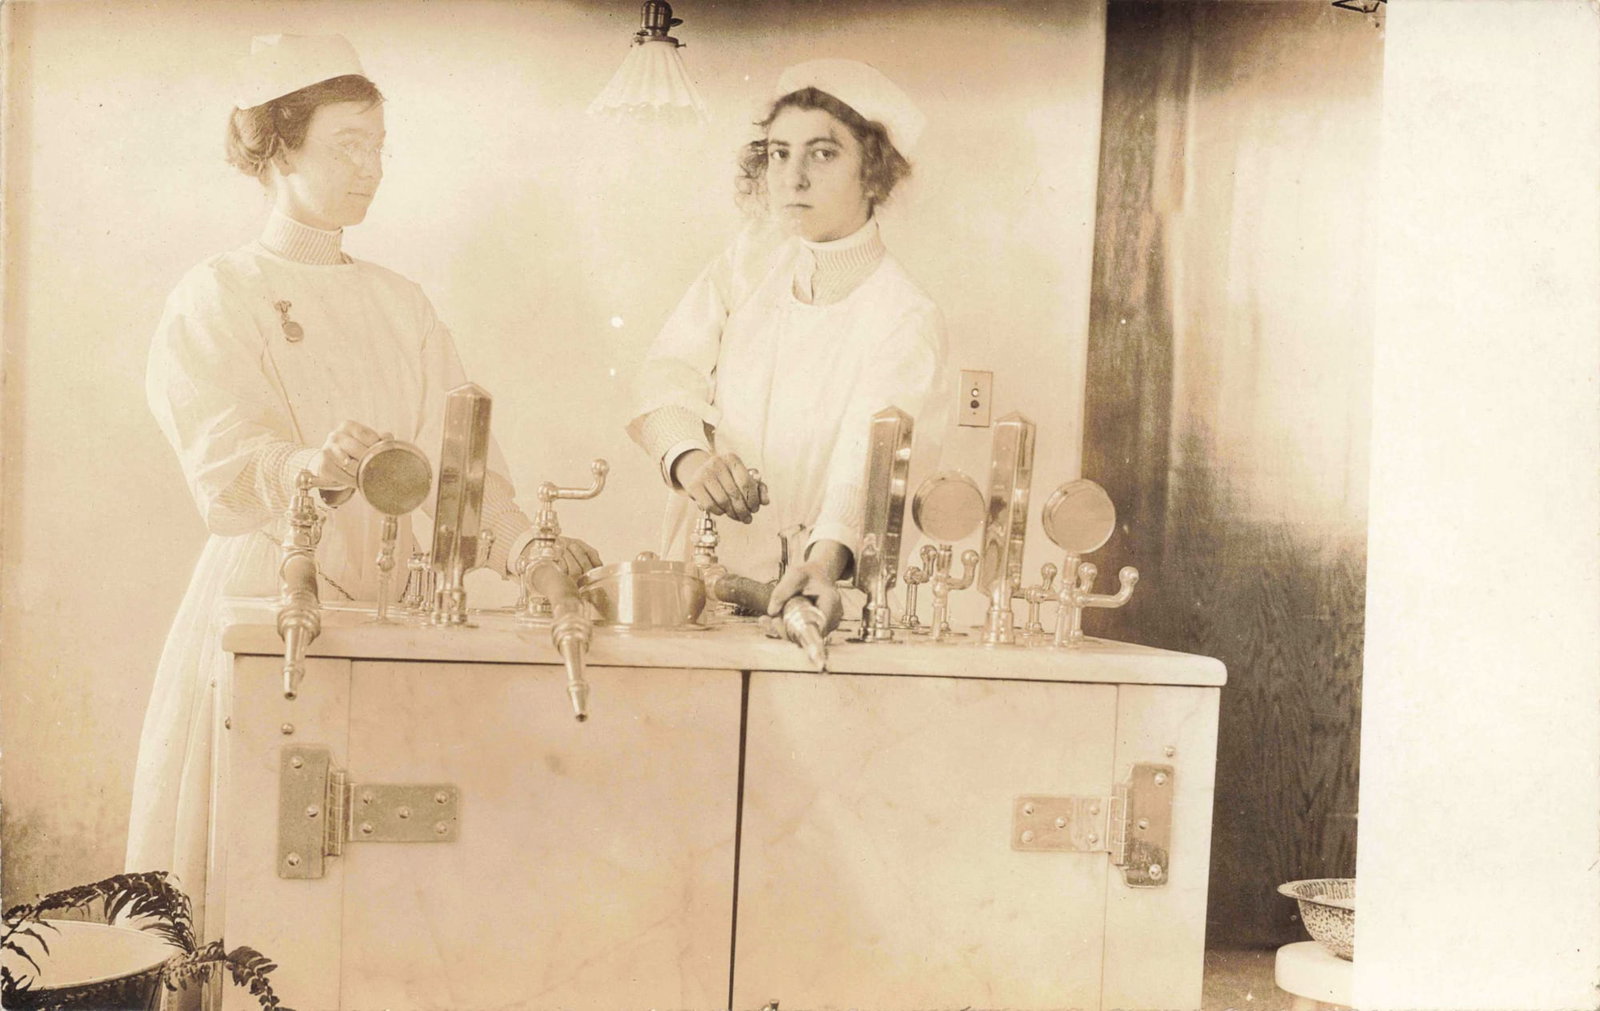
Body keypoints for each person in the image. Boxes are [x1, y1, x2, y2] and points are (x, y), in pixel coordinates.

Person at [127, 34, 596, 912]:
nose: (372, 168)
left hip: (388, 617)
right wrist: (310, 465)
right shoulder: (217, 293)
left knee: (367, 896)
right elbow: (225, 460)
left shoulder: (400, 302)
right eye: (349, 144)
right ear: (277, 144)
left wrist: (533, 549)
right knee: (253, 884)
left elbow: (467, 476)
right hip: (269, 602)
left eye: (380, 146)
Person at [627, 59, 948, 632]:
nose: (791, 176)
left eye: (822, 154)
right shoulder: (749, 261)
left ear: (873, 173)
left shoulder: (905, 314)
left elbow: (869, 464)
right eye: (779, 153)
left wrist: (820, 564)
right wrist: (690, 456)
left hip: (816, 597)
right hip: (699, 584)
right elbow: (668, 373)